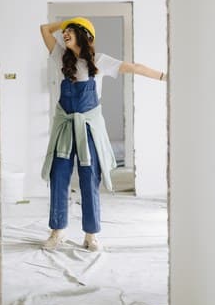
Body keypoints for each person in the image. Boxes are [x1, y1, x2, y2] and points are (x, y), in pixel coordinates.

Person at [39, 17, 167, 252]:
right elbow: (44, 30)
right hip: (66, 127)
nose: (64, 34)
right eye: (64, 31)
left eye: (70, 31)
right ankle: (57, 231)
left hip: (88, 128)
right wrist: (66, 21)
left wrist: (164, 77)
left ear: (84, 35)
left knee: (89, 178)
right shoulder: (60, 56)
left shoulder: (99, 62)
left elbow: (135, 67)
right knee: (59, 176)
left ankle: (91, 235)